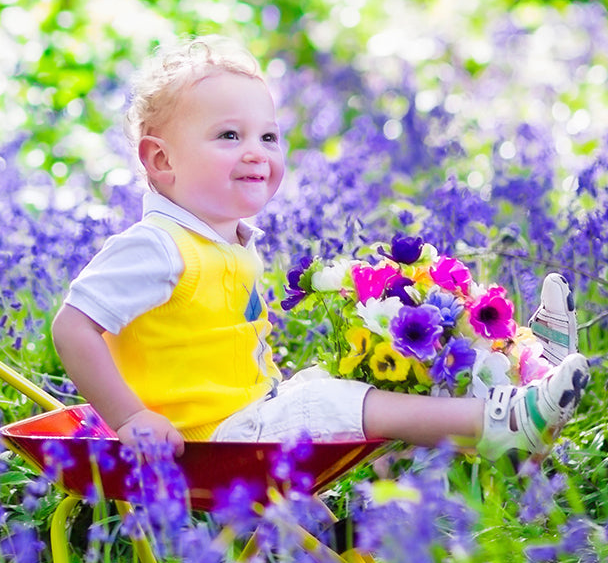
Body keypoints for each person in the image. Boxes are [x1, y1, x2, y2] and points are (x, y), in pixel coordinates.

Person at [51, 36, 588, 463]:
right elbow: (72, 327)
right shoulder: (157, 246)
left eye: (268, 137)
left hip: (251, 419)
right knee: (344, 404)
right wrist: (129, 419)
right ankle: (507, 423)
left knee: (395, 370)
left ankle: (525, 372)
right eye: (229, 136)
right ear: (162, 161)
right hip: (213, 442)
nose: (256, 153)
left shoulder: (225, 240)